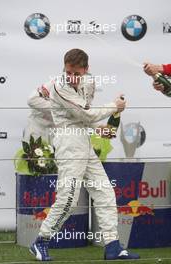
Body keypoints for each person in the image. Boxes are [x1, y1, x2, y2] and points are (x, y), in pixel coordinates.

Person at [30, 49, 140, 261]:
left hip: (83, 141)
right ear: (64, 66)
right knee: (69, 199)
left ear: (86, 70)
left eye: (76, 73)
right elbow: (86, 113)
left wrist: (100, 127)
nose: (71, 77)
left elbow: (85, 116)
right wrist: (113, 107)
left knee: (105, 192)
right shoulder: (59, 86)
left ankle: (112, 246)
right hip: (68, 142)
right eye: (68, 71)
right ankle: (40, 241)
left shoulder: (89, 82)